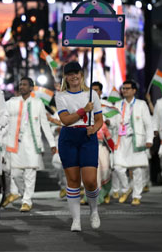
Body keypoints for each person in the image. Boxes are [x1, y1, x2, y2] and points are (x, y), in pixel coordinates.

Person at [55, 61, 103, 232]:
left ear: (81, 75)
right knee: (73, 180)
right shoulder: (60, 96)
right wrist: (84, 110)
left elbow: (99, 120)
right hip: (68, 137)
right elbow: (65, 120)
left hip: (87, 137)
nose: (73, 76)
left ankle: (94, 210)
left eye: (76, 73)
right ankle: (76, 220)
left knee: (90, 181)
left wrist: (94, 128)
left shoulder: (92, 94)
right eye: (69, 74)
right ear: (65, 77)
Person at [2, 77, 57, 212]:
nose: (22, 86)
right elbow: (3, 119)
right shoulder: (11, 103)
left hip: (32, 143)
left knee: (30, 173)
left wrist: (51, 143)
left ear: (31, 88)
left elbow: (44, 124)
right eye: (20, 84)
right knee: (15, 174)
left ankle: (27, 201)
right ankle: (23, 193)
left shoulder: (38, 103)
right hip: (15, 143)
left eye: (25, 84)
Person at [109, 80, 153, 206]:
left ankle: (136, 196)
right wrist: (108, 123)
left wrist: (149, 140)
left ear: (134, 90)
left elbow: (148, 124)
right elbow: (113, 121)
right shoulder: (117, 104)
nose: (125, 90)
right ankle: (126, 188)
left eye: (127, 88)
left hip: (136, 139)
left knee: (137, 170)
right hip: (121, 140)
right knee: (118, 167)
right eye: (123, 88)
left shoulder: (141, 104)